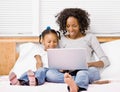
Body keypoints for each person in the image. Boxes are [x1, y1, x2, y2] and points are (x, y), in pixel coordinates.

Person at [46, 8, 110, 92]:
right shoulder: (61, 39)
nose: (71, 29)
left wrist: (89, 64)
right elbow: (57, 58)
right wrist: (61, 68)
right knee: (49, 74)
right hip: (68, 73)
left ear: (81, 24)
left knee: (82, 73)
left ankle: (76, 87)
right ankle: (78, 80)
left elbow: (105, 61)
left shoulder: (90, 37)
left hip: (88, 70)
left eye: (74, 26)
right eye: (68, 26)